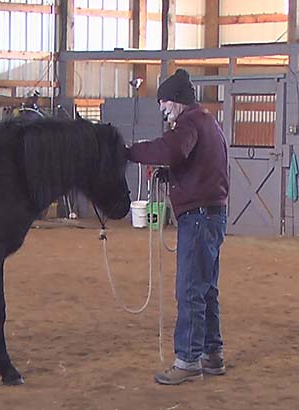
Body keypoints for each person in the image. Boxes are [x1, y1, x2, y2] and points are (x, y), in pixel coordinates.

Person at [127, 69, 229, 385]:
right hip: (212, 215)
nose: (162, 109)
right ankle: (212, 354)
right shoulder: (208, 122)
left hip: (198, 218)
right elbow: (196, 165)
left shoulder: (188, 124)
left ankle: (187, 360)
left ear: (177, 101)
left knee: (189, 289)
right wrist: (170, 177)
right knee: (206, 288)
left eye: (164, 102)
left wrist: (130, 152)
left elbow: (171, 150)